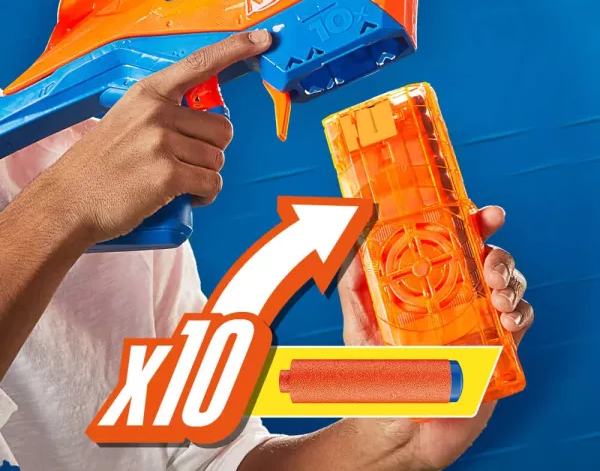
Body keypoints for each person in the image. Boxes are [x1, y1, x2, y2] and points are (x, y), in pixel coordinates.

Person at [0, 31, 532, 470]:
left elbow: (190, 453)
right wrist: (63, 209)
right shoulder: (82, 181)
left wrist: (391, 438)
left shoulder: (79, 154)